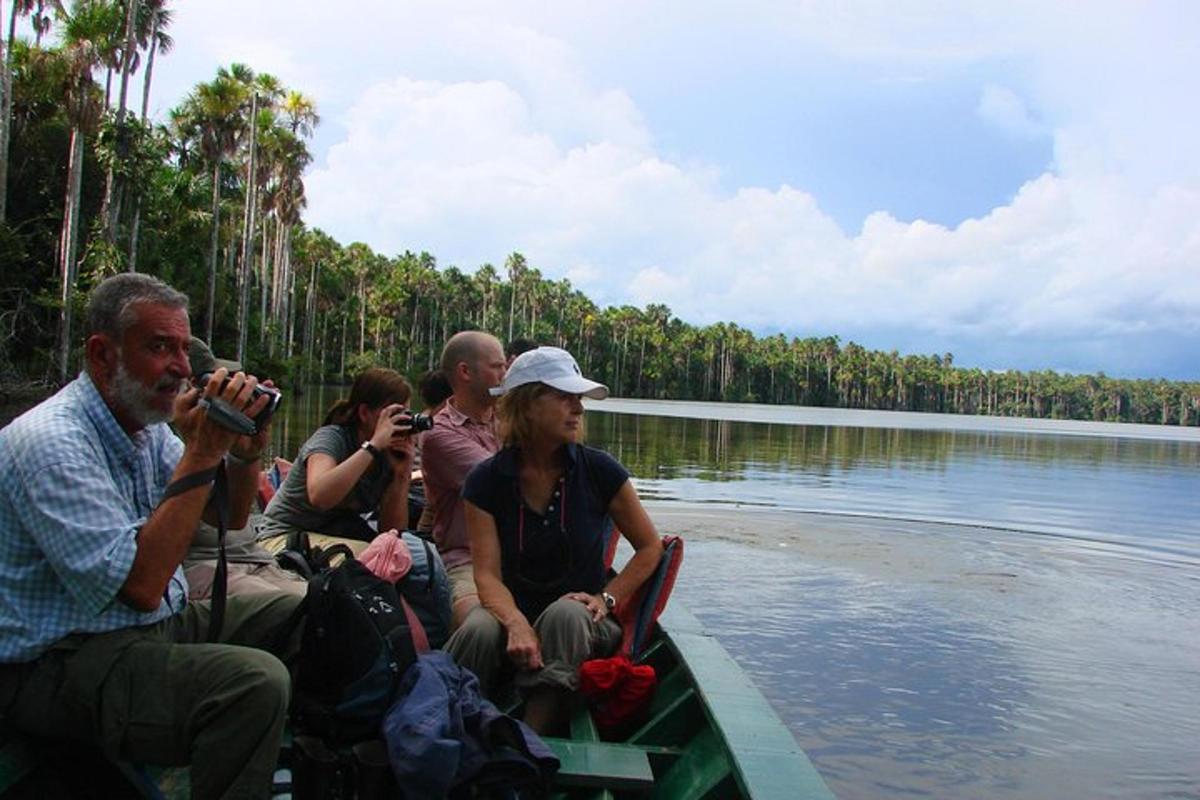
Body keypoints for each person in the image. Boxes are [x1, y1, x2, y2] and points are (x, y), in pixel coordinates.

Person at [0, 273, 298, 800]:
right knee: (253, 684)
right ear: (101, 354)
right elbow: (140, 586)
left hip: (146, 627)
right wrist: (203, 449)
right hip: (57, 662)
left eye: (183, 349)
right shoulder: (51, 444)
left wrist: (247, 448)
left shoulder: (145, 427)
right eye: (160, 348)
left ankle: (309, 764)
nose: (182, 367)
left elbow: (222, 519)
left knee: (304, 610)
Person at [445, 346, 663, 735]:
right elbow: (488, 577)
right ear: (527, 405)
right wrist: (515, 623)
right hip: (512, 610)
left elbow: (650, 547)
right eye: (564, 397)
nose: (577, 408)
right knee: (479, 628)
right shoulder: (485, 481)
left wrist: (606, 599)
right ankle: (455, 725)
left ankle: (529, 741)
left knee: (565, 613)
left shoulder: (600, 471)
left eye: (578, 399)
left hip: (583, 620)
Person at [182, 338, 306, 600]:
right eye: (219, 382)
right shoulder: (167, 435)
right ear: (192, 386)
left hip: (250, 557)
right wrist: (202, 450)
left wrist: (246, 456)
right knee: (318, 610)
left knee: (349, 600)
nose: (228, 391)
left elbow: (234, 520)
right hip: (204, 565)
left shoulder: (207, 435)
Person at [258, 368, 416, 546]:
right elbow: (319, 496)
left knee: (397, 556)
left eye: (405, 415)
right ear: (364, 413)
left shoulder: (387, 454)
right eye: (393, 415)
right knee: (367, 561)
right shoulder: (331, 439)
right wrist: (373, 446)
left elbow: (391, 533)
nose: (399, 422)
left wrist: (401, 475)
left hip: (333, 536)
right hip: (285, 534)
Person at [421, 332, 506, 628]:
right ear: (465, 372)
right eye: (497, 367)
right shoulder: (439, 434)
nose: (504, 375)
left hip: (519, 554)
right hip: (467, 560)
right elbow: (503, 481)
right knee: (482, 626)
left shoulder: (507, 419)